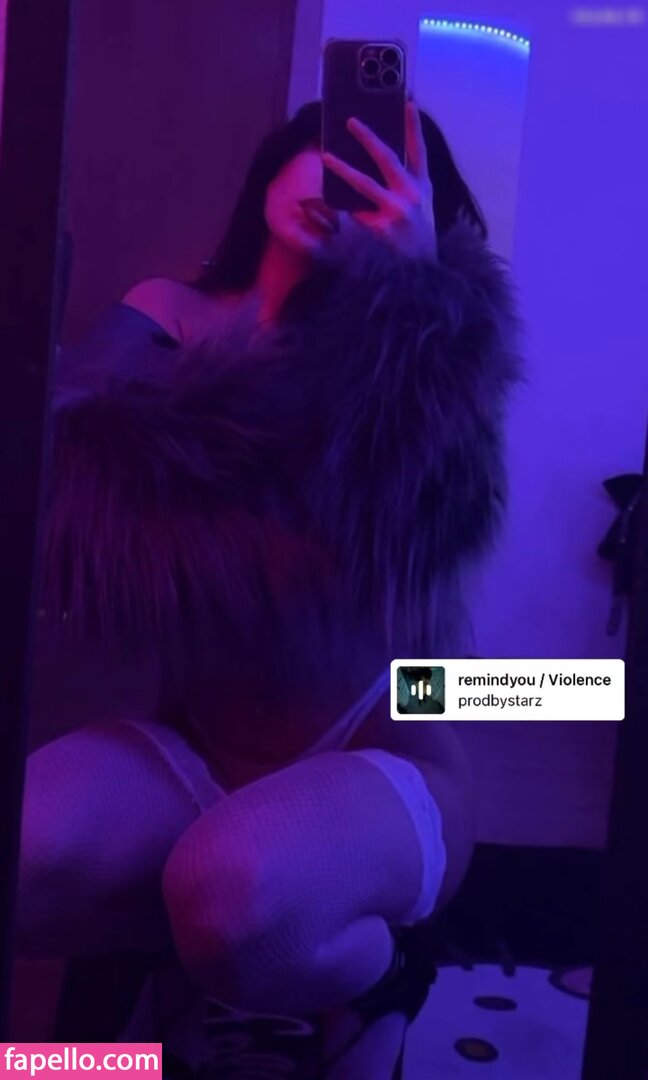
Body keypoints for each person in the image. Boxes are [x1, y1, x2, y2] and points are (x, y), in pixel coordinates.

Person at [19, 100, 521, 1077]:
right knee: (28, 850)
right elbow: (65, 468)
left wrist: (411, 300)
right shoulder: (168, 312)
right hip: (193, 743)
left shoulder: (423, 350)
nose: (341, 177)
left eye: (380, 165)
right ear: (273, 166)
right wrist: (260, 333)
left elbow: (444, 515)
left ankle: (378, 981)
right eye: (323, 150)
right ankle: (194, 966)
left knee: (239, 892)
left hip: (381, 741)